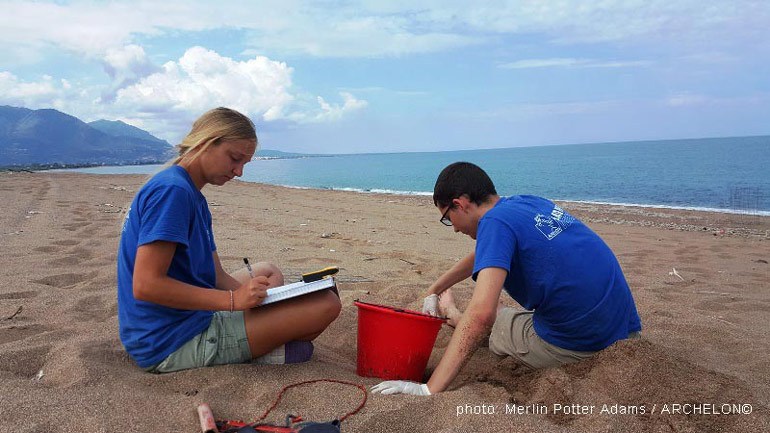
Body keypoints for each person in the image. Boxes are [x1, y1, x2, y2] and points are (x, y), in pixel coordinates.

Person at [371, 162, 641, 395]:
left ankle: (452, 315)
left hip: (580, 344)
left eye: (447, 218)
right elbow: (483, 254)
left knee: (494, 323)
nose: (453, 228)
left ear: (460, 204)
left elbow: (481, 316)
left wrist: (427, 389)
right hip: (623, 330)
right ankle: (463, 312)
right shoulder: (524, 203)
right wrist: (435, 288)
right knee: (500, 311)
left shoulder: (494, 224)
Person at [117, 107, 341, 373]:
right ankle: (261, 349)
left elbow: (214, 274)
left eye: (244, 163)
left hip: (165, 324)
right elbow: (146, 286)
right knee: (327, 304)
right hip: (170, 340)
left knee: (268, 272)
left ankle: (259, 334)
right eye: (234, 159)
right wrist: (234, 302)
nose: (238, 172)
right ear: (206, 143)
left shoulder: (189, 192)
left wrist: (255, 302)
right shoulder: (173, 192)